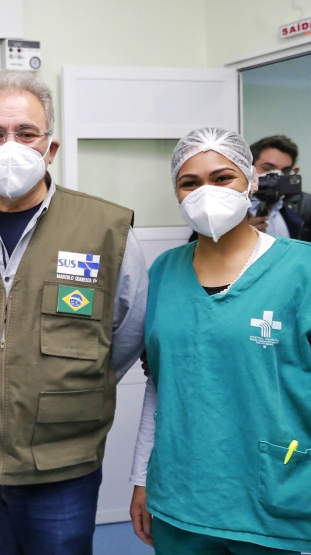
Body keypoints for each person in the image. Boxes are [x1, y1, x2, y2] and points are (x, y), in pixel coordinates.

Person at [0, 71, 148, 555]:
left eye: (26, 133)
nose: (10, 145)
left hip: (62, 461)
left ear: (51, 147)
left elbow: (127, 332)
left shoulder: (105, 227)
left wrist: (69, 384)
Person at [129, 127, 311, 554]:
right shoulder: (162, 272)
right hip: (180, 496)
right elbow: (159, 385)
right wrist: (141, 477)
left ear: (249, 180)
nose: (204, 192)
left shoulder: (302, 270)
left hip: (273, 497)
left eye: (222, 177)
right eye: (189, 182)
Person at [247, 135, 306, 239]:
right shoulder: (230, 209)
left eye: (285, 171)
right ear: (249, 167)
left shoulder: (302, 207)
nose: (278, 175)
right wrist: (237, 234)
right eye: (268, 168)